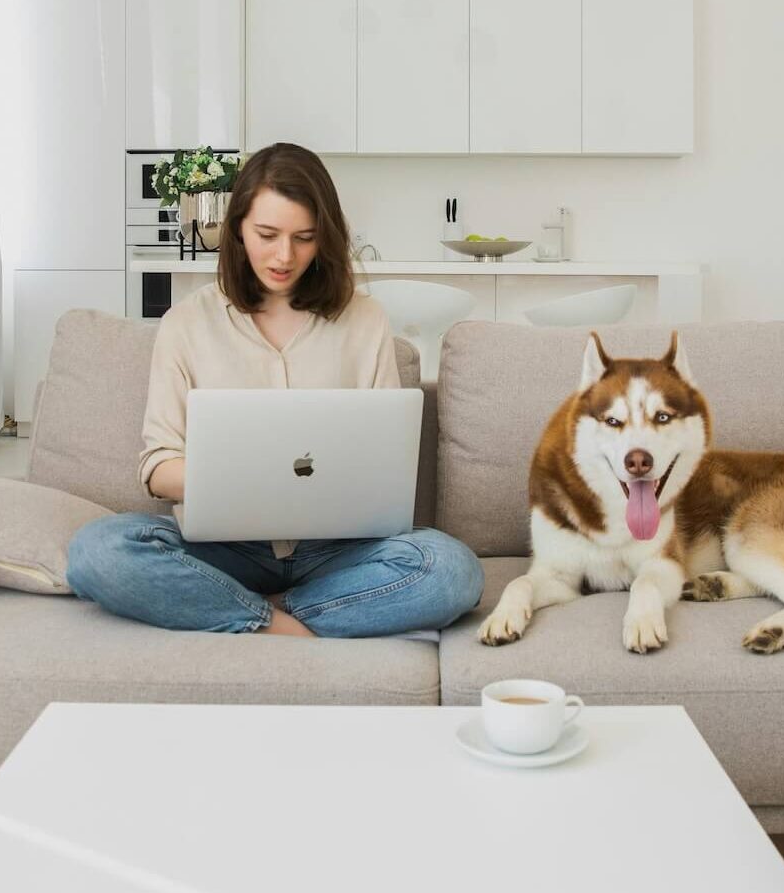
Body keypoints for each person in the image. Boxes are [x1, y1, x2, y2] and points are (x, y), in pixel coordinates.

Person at [65, 143, 483, 638]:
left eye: (304, 238)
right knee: (98, 550)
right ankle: (284, 623)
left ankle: (242, 608)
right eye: (268, 235)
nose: (285, 256)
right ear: (238, 227)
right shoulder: (186, 324)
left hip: (336, 548)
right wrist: (247, 479)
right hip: (225, 549)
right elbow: (158, 468)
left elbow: (384, 463)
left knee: (451, 570)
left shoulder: (364, 319)